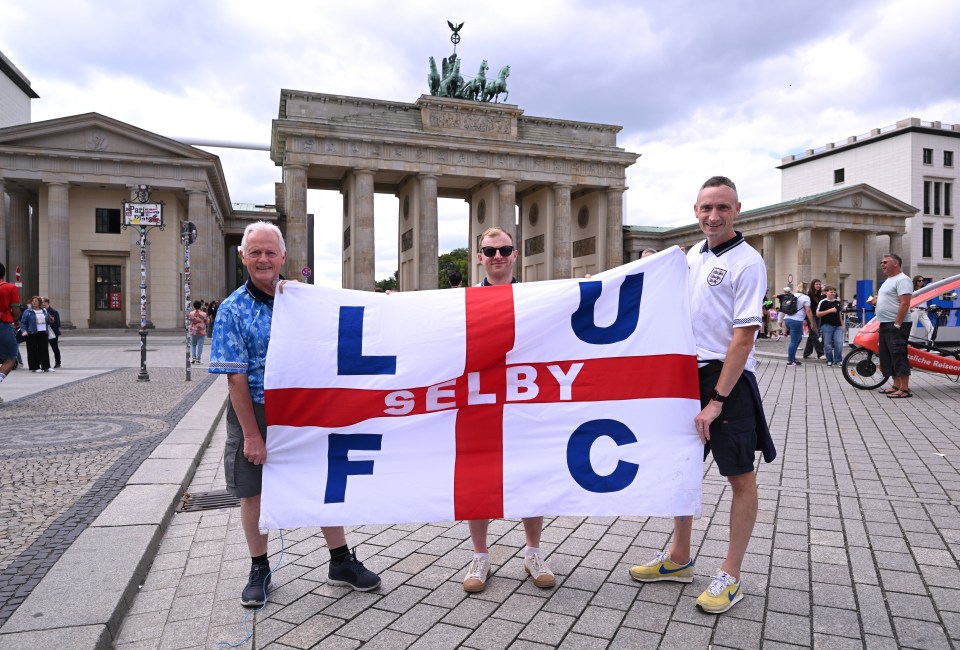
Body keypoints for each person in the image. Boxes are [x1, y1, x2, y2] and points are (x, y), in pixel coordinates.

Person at [209, 221, 381, 608]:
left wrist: (383, 308)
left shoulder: (303, 299)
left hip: (304, 409)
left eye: (271, 252)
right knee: (252, 491)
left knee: (322, 482)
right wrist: (252, 435)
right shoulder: (232, 309)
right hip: (254, 411)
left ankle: (340, 561)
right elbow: (235, 379)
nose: (264, 259)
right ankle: (259, 567)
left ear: (284, 256)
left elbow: (343, 329)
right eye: (255, 252)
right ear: (243, 256)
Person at [629, 176, 775, 614]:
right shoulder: (694, 253)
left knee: (739, 477)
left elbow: (743, 340)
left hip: (726, 380)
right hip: (684, 376)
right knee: (682, 470)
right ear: (695, 210)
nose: (714, 216)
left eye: (723, 208)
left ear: (737, 209)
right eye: (707, 208)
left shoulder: (748, 263)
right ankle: (679, 559)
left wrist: (716, 400)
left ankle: (730, 575)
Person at [462, 226, 556, 594]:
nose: (497, 257)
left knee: (530, 474)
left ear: (516, 255)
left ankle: (533, 552)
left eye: (504, 250)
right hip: (480, 400)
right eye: (490, 251)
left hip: (524, 399)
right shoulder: (464, 301)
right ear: (479, 257)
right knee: (478, 477)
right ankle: (480, 555)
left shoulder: (535, 298)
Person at [876, 253, 913, 398]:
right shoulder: (889, 280)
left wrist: (897, 324)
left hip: (896, 324)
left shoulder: (903, 279)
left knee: (898, 354)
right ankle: (896, 384)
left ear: (896, 263)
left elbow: (905, 303)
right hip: (885, 323)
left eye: (885, 262)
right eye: (881, 262)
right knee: (888, 356)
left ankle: (905, 389)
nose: (882, 264)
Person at [0, 263, 22, 398]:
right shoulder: (10, 288)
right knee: (10, 359)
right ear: (3, 273)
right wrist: (16, 318)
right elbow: (16, 311)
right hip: (3, 326)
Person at [782, 286, 815, 366]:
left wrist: (785, 328)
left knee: (798, 338)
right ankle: (790, 360)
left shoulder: (792, 295)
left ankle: (792, 357)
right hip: (796, 320)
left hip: (787, 319)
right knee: (794, 341)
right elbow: (808, 310)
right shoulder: (806, 297)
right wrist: (812, 322)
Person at [21, 296, 53, 373]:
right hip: (31, 332)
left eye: (36, 301)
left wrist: (50, 320)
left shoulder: (44, 311)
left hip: (43, 332)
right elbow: (23, 322)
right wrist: (24, 331)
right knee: (32, 350)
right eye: (33, 301)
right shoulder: (28, 311)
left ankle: (46, 367)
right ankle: (35, 367)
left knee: (44, 349)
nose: (34, 302)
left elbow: (48, 321)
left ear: (39, 303)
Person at [816, 286, 844, 366]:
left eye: (834, 292)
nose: (833, 294)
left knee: (839, 342)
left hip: (837, 325)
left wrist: (842, 325)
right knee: (827, 344)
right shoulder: (823, 302)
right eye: (831, 292)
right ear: (826, 292)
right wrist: (829, 311)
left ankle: (838, 359)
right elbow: (818, 314)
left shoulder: (837, 302)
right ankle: (829, 359)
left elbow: (839, 314)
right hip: (827, 325)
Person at [802, 279, 825, 359]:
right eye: (817, 284)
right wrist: (806, 319)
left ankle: (806, 353)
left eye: (819, 284)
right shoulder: (809, 295)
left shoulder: (818, 295)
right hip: (811, 316)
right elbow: (807, 309)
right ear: (813, 285)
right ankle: (820, 353)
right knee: (815, 335)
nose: (818, 286)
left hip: (817, 316)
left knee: (812, 335)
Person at [910, 275, 934, 346]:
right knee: (912, 330)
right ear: (915, 281)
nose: (921, 282)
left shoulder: (924, 290)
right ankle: (908, 347)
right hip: (915, 311)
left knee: (931, 329)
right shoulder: (912, 291)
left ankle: (930, 347)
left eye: (922, 280)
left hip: (923, 312)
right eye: (919, 280)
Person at [41, 298, 61, 368]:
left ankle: (58, 363)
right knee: (43, 349)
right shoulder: (41, 311)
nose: (42, 303)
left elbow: (58, 324)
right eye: (41, 302)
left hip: (52, 333)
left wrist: (50, 328)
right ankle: (45, 364)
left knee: (55, 348)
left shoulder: (54, 311)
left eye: (43, 302)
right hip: (44, 333)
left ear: (47, 302)